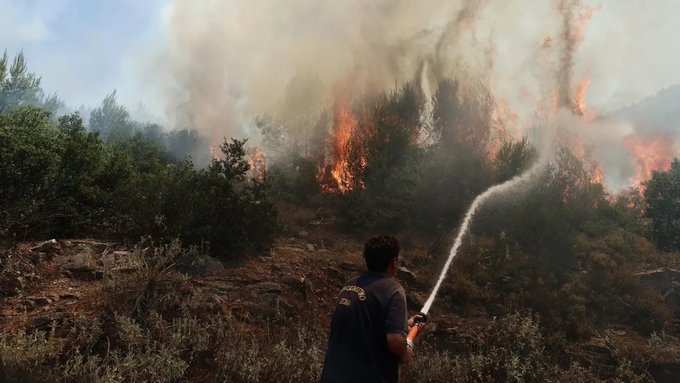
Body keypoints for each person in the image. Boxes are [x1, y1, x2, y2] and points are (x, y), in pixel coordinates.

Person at [320, 235, 421, 383]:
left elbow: (363, 322)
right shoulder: (394, 290)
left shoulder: (350, 285)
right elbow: (394, 340)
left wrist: (405, 324)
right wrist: (406, 353)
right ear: (393, 262)